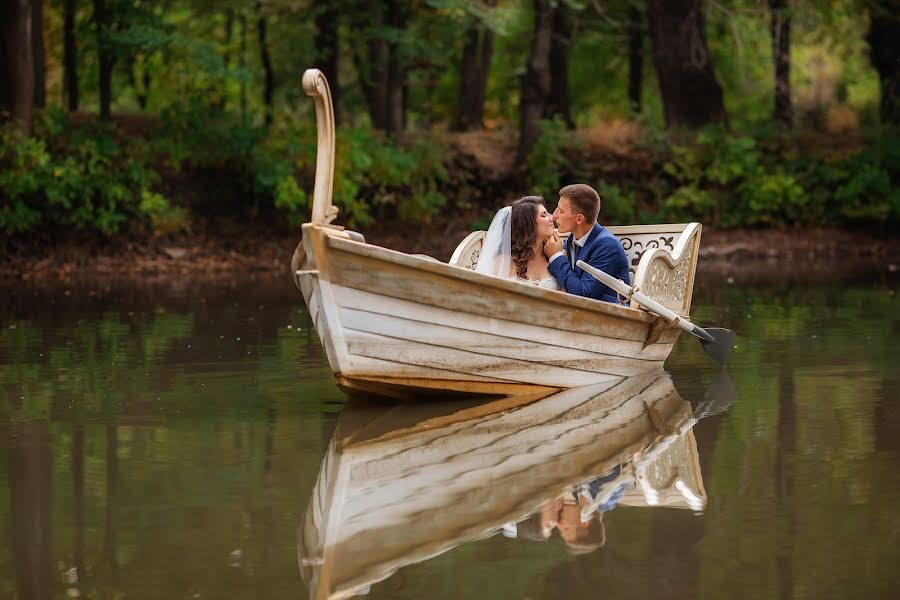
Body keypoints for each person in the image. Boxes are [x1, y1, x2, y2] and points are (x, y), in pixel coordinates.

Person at [542, 183, 630, 303]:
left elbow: (583, 293)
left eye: (561, 211)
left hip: (612, 316)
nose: (554, 215)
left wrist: (556, 256)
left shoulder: (607, 245)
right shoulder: (572, 240)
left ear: (579, 219)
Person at [476, 196, 560, 291]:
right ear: (529, 224)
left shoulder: (555, 255)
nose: (552, 218)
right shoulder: (504, 260)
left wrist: (557, 255)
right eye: (543, 215)